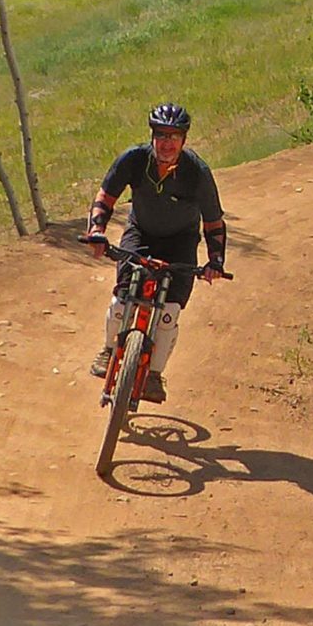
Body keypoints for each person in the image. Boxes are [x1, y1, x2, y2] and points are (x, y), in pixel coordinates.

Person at [83, 101, 226, 403]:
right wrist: (96, 231)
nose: (166, 143)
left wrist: (215, 261)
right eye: (161, 135)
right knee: (122, 299)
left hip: (181, 241)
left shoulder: (196, 172)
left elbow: (213, 222)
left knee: (169, 313)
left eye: (174, 136)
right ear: (151, 136)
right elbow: (105, 197)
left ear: (184, 140)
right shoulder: (134, 160)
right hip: (141, 232)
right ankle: (109, 350)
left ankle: (155, 375)